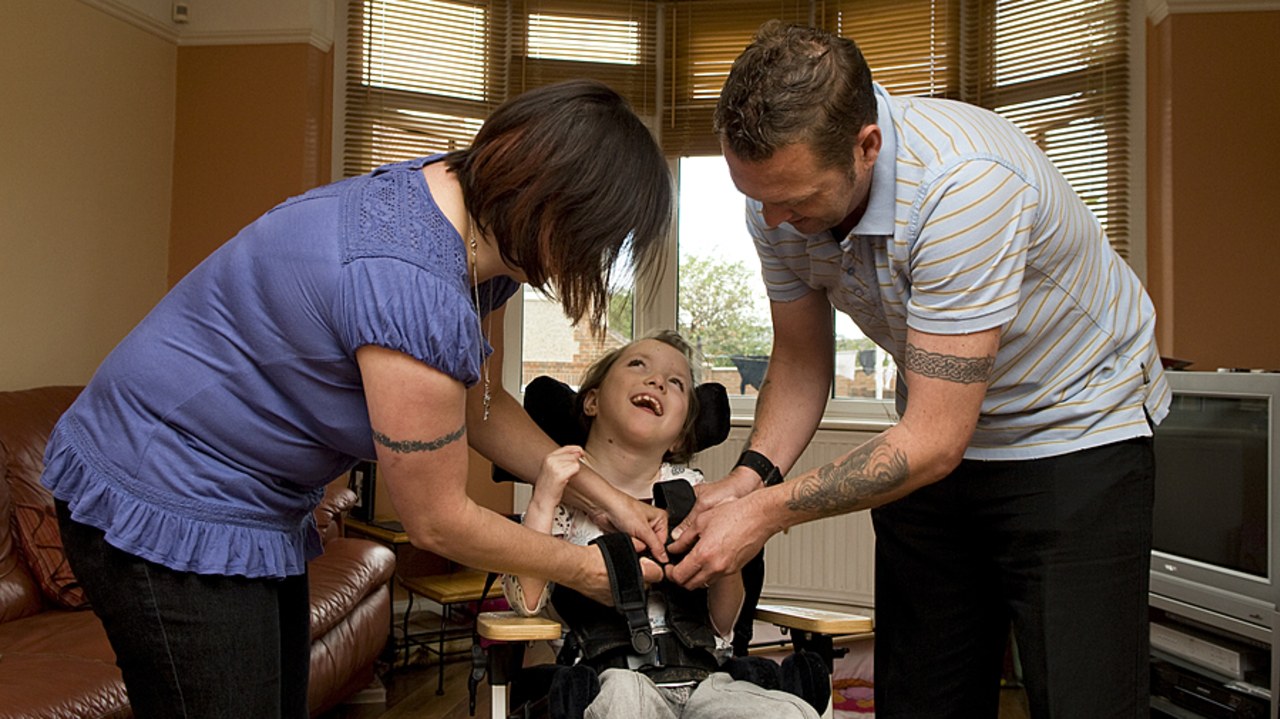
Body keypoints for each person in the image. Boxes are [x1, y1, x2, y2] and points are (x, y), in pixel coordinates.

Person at [41, 79, 674, 719]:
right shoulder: (415, 281)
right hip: (161, 483)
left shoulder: (463, 222)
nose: (592, 259)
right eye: (598, 238)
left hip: (251, 498)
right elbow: (438, 519)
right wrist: (589, 570)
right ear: (553, 203)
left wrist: (610, 501)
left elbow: (471, 394)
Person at [665, 21, 1171, 718]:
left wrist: (766, 513)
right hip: (932, 434)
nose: (774, 220)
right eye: (758, 197)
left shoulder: (964, 186)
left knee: (1086, 701)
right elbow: (804, 362)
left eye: (795, 200)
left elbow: (934, 438)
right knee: (922, 694)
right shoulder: (775, 199)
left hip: (1074, 431)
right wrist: (750, 478)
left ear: (865, 145)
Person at [505, 330, 819, 719]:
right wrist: (545, 493)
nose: (657, 381)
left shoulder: (698, 496)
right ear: (592, 400)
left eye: (676, 383)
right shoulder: (561, 495)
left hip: (705, 679)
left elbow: (722, 624)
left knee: (788, 713)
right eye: (638, 365)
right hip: (608, 677)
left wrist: (728, 550)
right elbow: (527, 601)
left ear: (680, 435)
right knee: (627, 701)